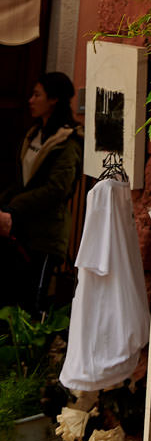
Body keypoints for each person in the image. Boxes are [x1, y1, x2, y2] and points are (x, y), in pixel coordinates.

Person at [0, 73, 83, 310]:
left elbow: (57, 189)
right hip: (21, 229)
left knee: (34, 300)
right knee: (12, 296)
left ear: (54, 99)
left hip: (46, 235)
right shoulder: (34, 134)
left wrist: (13, 207)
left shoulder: (69, 141)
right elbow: (23, 181)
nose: (30, 100)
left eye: (37, 95)